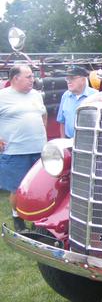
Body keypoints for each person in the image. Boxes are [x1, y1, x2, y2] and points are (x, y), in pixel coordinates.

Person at [0, 65, 47, 231]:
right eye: (28, 76)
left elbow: (43, 114)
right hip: (15, 152)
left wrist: (43, 134)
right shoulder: (2, 96)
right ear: (15, 79)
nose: (32, 79)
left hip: (39, 151)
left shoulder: (36, 95)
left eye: (32, 76)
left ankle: (37, 220)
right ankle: (17, 219)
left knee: (39, 188)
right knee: (17, 188)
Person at [57, 66, 98, 138]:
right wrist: (63, 143)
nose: (69, 81)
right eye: (67, 78)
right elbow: (62, 122)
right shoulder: (65, 96)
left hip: (88, 143)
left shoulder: (95, 96)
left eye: (72, 78)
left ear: (83, 80)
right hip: (69, 141)